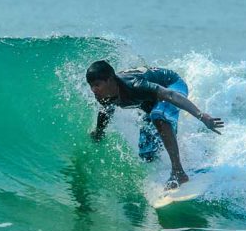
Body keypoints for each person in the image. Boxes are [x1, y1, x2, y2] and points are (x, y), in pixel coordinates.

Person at [86, 60, 223, 189]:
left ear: (110, 80)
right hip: (150, 102)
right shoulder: (104, 96)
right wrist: (99, 133)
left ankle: (178, 172)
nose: (94, 90)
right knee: (147, 155)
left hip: (172, 85)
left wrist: (201, 116)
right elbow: (105, 112)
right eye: (91, 86)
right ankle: (184, 157)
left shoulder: (134, 85)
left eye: (97, 85)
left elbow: (169, 95)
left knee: (158, 117)